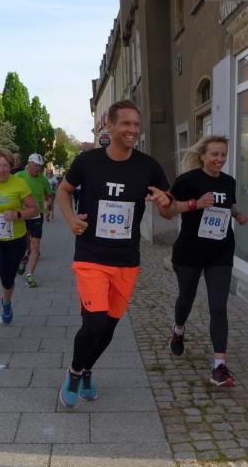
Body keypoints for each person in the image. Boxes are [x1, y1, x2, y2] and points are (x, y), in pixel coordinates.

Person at [55, 99, 171, 408]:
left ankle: (87, 368)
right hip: (91, 255)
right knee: (94, 323)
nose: (132, 130)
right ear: (110, 126)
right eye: (126, 124)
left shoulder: (149, 166)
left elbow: (168, 207)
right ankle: (74, 372)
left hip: (126, 259)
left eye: (136, 124)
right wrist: (70, 217)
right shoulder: (87, 162)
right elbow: (64, 190)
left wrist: (165, 203)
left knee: (108, 329)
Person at [148, 135, 248, 388]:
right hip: (190, 252)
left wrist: (237, 214)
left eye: (223, 154)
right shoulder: (188, 180)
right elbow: (168, 210)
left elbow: (228, 204)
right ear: (202, 155)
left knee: (218, 306)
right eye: (215, 154)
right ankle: (178, 331)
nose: (219, 159)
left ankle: (219, 367)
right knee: (186, 299)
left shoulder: (228, 181)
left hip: (220, 252)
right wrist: (195, 204)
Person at [0, 147, 39, 346]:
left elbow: (34, 209)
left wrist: (17, 214)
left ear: (10, 166)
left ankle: (7, 303)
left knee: (8, 279)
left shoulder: (19, 184)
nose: (1, 169)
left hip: (15, 240)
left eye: (5, 165)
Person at [15, 153, 54, 287]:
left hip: (37, 215)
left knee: (35, 245)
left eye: (40, 166)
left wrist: (48, 208)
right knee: (24, 244)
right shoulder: (19, 176)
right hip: (22, 215)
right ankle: (24, 258)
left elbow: (50, 195)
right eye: (36, 166)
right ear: (29, 164)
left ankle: (29, 274)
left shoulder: (43, 180)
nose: (39, 169)